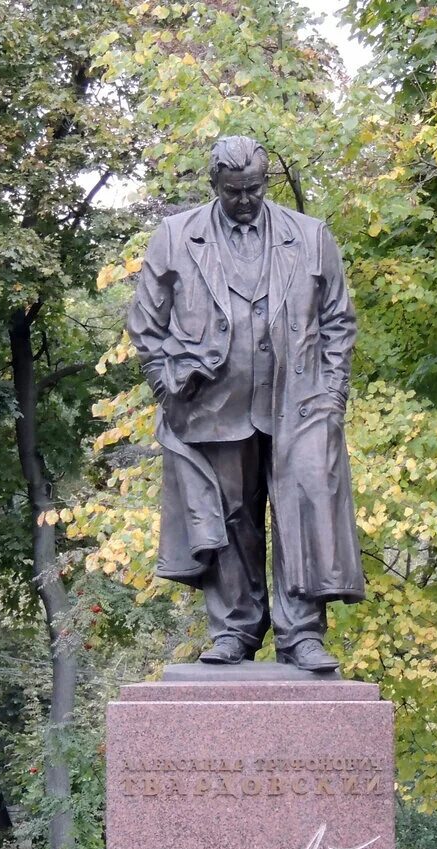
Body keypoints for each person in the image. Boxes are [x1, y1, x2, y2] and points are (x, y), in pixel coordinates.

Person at [127, 135, 364, 672]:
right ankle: (234, 629)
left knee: (303, 509)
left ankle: (301, 633)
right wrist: (167, 385)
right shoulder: (176, 236)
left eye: (254, 189)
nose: (244, 201)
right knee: (230, 516)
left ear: (266, 183)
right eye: (233, 191)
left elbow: (338, 323)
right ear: (214, 185)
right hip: (211, 407)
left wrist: (331, 396)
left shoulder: (309, 237)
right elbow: (146, 325)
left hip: (299, 404)